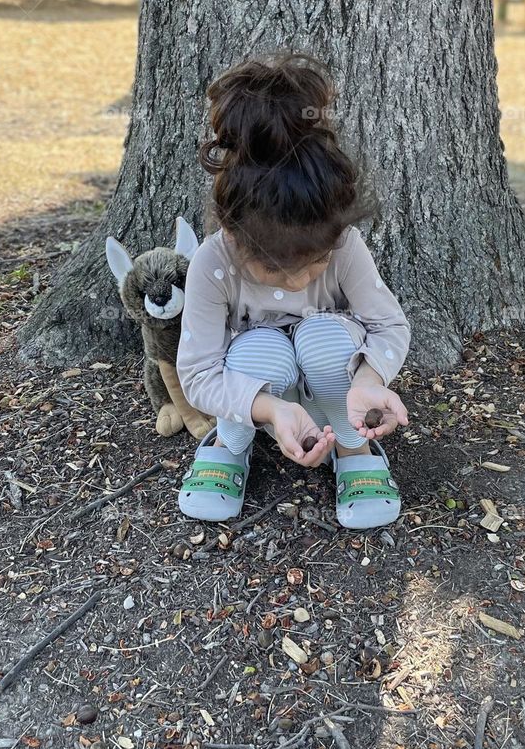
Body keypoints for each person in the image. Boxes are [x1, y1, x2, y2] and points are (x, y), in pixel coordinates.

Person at [175, 51, 411, 530]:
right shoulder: (213, 263)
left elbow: (388, 325)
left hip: (330, 382)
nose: (302, 280)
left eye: (317, 262)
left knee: (323, 337)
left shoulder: (344, 244)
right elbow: (198, 372)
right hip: (261, 389)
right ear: (236, 237)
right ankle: (230, 444)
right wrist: (271, 408)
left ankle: (354, 444)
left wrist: (369, 382)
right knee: (259, 348)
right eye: (277, 270)